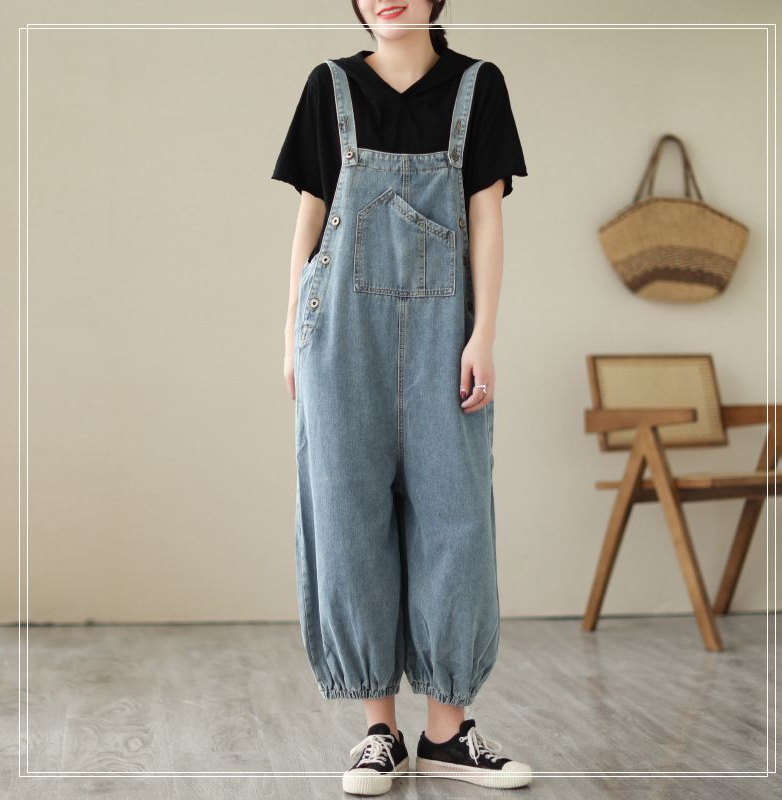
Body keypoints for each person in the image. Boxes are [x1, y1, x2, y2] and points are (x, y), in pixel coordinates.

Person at [272, 1, 531, 793]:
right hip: (338, 334)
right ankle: (378, 732)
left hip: (445, 337)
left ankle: (448, 735)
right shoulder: (329, 87)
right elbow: (311, 218)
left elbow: (486, 216)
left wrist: (483, 335)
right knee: (348, 519)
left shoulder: (478, 86)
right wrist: (291, 333)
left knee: (456, 520)